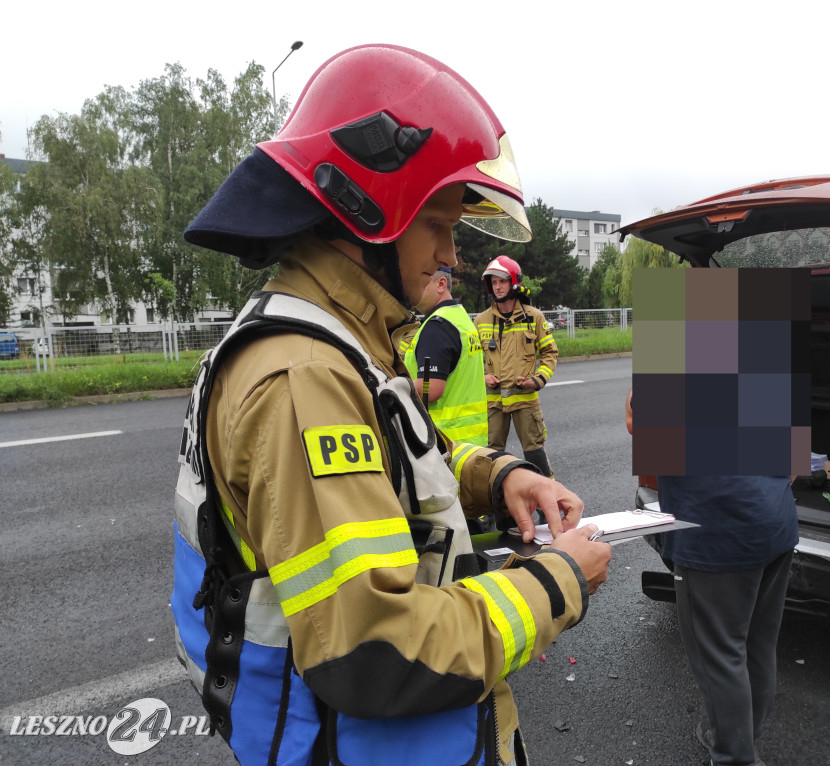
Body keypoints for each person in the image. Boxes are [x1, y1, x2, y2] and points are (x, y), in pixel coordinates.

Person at [171, 45, 611, 766]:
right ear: (369, 212)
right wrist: (558, 581)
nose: (453, 256)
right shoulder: (305, 379)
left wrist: (501, 479)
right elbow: (376, 653)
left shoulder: (337, 341)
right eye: (437, 224)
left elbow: (400, 456)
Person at [626, 389, 796, 766]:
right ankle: (743, 737)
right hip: (776, 521)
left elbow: (644, 429)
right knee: (757, 643)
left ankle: (736, 756)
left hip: (716, 534)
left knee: (719, 654)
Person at [474, 256, 558, 478]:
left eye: (502, 281)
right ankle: (494, 504)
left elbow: (550, 353)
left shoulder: (534, 317)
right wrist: (482, 376)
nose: (498, 287)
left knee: (534, 452)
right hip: (493, 402)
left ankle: (547, 495)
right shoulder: (480, 321)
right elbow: (470, 360)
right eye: (493, 283)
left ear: (513, 282)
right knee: (492, 454)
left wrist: (538, 379)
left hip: (525, 399)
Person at [404, 265, 488, 447]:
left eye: (421, 282)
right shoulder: (460, 317)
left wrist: (393, 384)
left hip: (443, 441)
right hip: (470, 439)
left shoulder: (437, 326)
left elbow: (431, 389)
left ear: (441, 284)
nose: (412, 290)